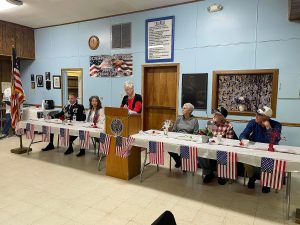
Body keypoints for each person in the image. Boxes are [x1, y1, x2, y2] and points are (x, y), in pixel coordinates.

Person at [239, 106, 282, 193]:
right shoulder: (253, 122)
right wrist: (244, 140)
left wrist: (268, 127)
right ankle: (252, 177)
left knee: (268, 159)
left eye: (260, 114)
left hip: (268, 151)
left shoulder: (277, 125)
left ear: (267, 117)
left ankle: (266, 182)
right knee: (246, 159)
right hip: (254, 150)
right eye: (257, 113)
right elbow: (242, 134)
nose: (256, 116)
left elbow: (275, 141)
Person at [198, 106, 235, 185]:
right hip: (210, 146)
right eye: (214, 113)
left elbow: (229, 142)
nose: (214, 115)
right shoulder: (211, 123)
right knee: (200, 152)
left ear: (222, 117)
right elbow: (208, 135)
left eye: (217, 114)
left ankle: (222, 175)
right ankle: (208, 173)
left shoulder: (228, 126)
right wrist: (203, 133)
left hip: (222, 148)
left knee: (223, 153)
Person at [169, 103, 199, 168]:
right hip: (177, 138)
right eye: (182, 107)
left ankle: (184, 163)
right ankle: (178, 161)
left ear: (189, 111)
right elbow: (174, 130)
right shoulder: (179, 118)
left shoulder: (195, 120)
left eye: (184, 108)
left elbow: (196, 133)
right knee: (169, 146)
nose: (182, 109)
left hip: (188, 140)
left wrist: (189, 138)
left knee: (184, 148)